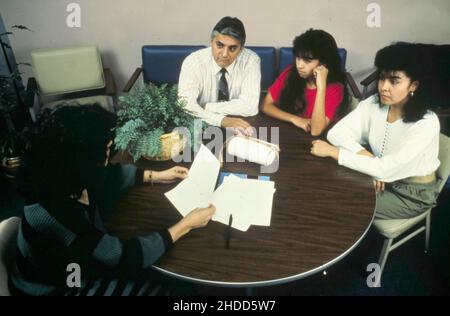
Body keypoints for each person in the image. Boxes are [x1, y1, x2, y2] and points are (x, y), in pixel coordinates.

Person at [11, 104, 215, 296]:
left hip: (75, 263)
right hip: (59, 286)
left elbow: (108, 176)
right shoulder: (55, 211)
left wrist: (155, 175)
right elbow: (118, 256)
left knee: (169, 278)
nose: (110, 155)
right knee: (167, 288)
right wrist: (185, 225)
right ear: (84, 160)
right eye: (106, 151)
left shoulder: (63, 175)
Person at [311, 43, 441, 219]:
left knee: (337, 202)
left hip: (412, 194)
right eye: (382, 78)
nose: (384, 87)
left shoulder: (427, 123)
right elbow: (336, 133)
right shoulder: (374, 103)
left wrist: (334, 152)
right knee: (326, 187)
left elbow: (385, 170)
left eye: (394, 81)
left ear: (414, 85)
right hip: (382, 175)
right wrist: (371, 162)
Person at [178, 16, 261, 136]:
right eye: (220, 45)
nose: (225, 54)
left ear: (241, 49)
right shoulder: (193, 62)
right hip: (199, 125)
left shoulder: (251, 61)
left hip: (238, 126)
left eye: (232, 48)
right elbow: (186, 105)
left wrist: (208, 107)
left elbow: (250, 106)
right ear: (211, 42)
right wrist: (221, 120)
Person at [262, 29, 350, 136]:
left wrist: (321, 87)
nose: (299, 65)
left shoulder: (335, 88)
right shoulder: (291, 72)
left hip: (318, 143)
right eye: (298, 58)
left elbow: (316, 131)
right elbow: (265, 105)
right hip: (291, 134)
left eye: (307, 61)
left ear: (323, 63)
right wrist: (294, 119)